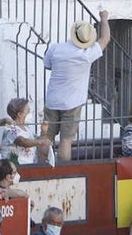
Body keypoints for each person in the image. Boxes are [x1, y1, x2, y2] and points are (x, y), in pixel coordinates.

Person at [44, 13, 110, 161]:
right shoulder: (86, 54)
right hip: (73, 103)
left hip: (53, 99)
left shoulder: (55, 48)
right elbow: (105, 39)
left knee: (46, 137)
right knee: (66, 140)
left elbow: (47, 65)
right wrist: (104, 19)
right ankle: (64, 170)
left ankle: (40, 167)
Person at [1, 97, 52, 165]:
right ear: (19, 114)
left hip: (29, 166)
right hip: (14, 167)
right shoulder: (10, 128)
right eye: (28, 111)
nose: (30, 113)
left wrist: (43, 132)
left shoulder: (27, 129)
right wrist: (41, 142)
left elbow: (37, 143)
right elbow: (22, 141)